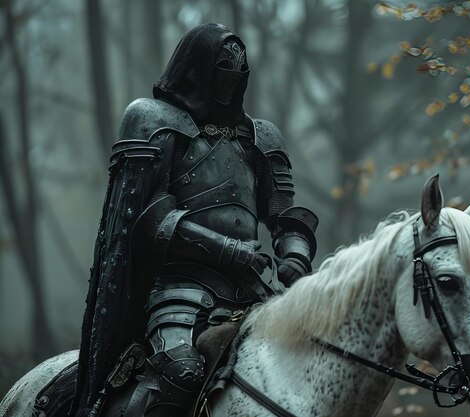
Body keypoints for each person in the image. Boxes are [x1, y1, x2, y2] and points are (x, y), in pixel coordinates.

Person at [71, 23, 318, 417]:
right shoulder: (154, 120)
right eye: (223, 68)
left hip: (253, 292)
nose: (231, 80)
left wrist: (295, 257)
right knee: (180, 373)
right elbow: (153, 221)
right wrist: (231, 252)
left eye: (239, 71)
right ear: (197, 66)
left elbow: (284, 215)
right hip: (179, 293)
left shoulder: (261, 136)